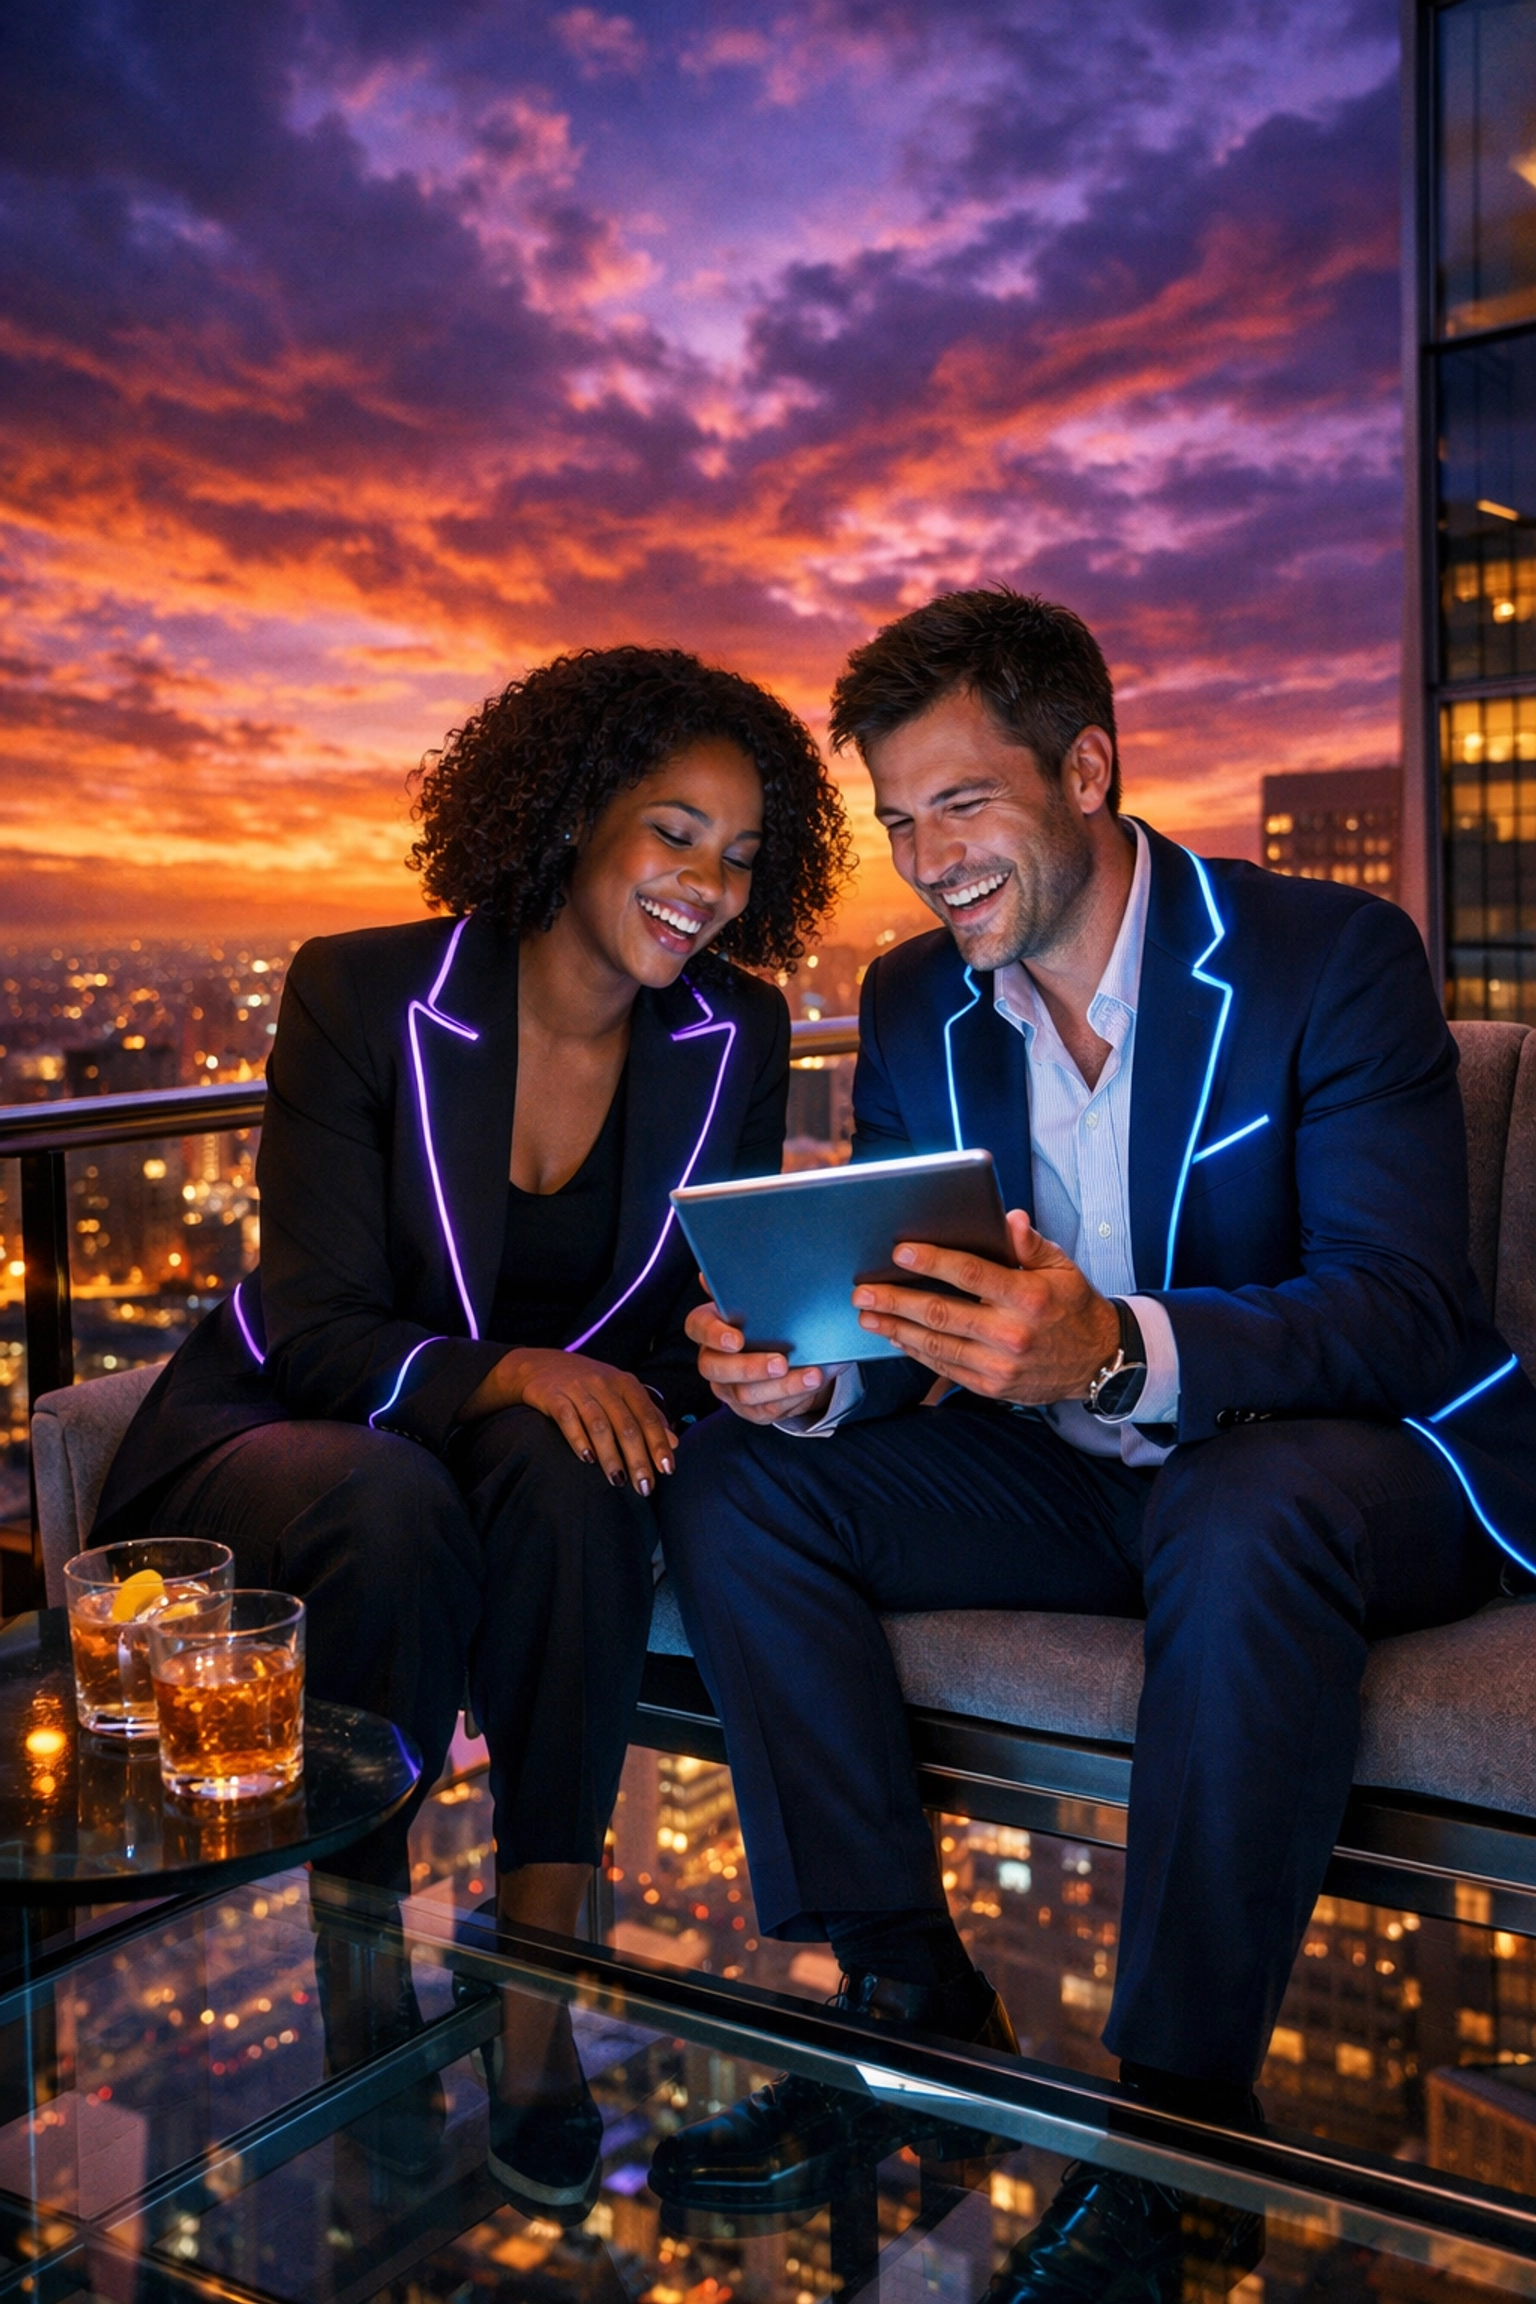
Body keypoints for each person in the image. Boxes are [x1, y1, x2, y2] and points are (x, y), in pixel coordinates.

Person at [652, 590, 1536, 2299]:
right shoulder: (915, 1003)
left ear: (1088, 768)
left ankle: (1183, 2132)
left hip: (1346, 1462)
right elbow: (914, 1312)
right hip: (1072, 1473)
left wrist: (1124, 1346)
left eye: (961, 806)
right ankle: (913, 2002)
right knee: (741, 1476)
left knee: (1238, 1496)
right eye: (900, 821)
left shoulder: (1325, 956)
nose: (928, 858)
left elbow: (1406, 1306)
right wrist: (818, 1378)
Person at [95, 643, 850, 2210]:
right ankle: (357, 1948)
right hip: (298, 1428)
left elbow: (672, 1317)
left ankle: (537, 1978)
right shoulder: (363, 991)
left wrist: (744, 1351)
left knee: (585, 1473)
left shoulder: (739, 1034)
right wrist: (511, 1373)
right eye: (674, 831)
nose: (707, 885)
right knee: (395, 1495)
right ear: (574, 816)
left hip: (515, 1454)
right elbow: (311, 1320)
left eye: (743, 856)